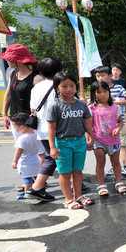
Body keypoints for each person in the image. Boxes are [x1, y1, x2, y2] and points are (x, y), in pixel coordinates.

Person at [47, 72, 94, 209]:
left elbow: (87, 123)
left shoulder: (81, 105)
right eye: (64, 86)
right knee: (65, 172)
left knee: (78, 171)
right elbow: (51, 129)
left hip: (80, 141)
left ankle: (78, 196)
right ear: (57, 88)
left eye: (72, 86)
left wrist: (91, 137)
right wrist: (52, 147)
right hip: (63, 143)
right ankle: (68, 199)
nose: (69, 89)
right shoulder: (54, 105)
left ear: (76, 87)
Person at [24, 58, 63, 201]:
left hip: (42, 129)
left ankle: (77, 183)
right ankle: (36, 188)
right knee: (53, 158)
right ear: (59, 70)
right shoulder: (61, 86)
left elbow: (33, 109)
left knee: (54, 157)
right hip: (58, 129)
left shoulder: (36, 88)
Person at [94, 66, 126, 174]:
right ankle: (114, 167)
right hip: (102, 126)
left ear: (110, 76)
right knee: (105, 148)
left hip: (118, 123)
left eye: (103, 75)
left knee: (121, 144)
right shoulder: (96, 90)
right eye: (98, 76)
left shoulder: (119, 88)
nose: (100, 78)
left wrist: (114, 103)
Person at [89, 81, 126, 196]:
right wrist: (89, 138)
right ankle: (101, 185)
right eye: (99, 92)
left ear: (109, 92)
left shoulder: (115, 107)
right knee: (100, 162)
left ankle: (119, 182)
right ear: (94, 94)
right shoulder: (92, 108)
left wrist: (118, 129)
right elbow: (88, 125)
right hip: (98, 139)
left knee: (116, 162)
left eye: (105, 91)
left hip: (114, 140)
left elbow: (120, 122)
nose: (102, 94)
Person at [0, 44, 44, 139]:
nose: (6, 60)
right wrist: (5, 114)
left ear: (17, 60)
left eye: (8, 58)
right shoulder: (13, 73)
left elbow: (42, 102)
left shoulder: (37, 78)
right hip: (15, 121)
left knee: (32, 152)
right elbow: (8, 95)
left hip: (30, 122)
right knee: (21, 150)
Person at [10, 112, 45, 199]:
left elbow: (19, 150)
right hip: (36, 161)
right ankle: (39, 190)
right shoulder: (37, 134)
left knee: (27, 179)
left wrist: (15, 161)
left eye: (15, 127)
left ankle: (27, 193)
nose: (14, 129)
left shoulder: (22, 138)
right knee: (37, 178)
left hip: (26, 162)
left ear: (22, 127)